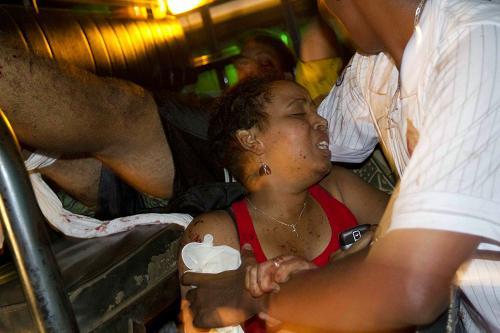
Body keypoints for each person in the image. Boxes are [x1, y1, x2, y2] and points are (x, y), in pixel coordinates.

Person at [183, 0, 500, 331]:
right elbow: (295, 147)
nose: (318, 121)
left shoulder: (477, 48)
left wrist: (257, 297)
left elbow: (413, 287)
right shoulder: (373, 69)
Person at [178, 75, 388, 332]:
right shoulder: (215, 233)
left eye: (317, 111)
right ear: (250, 140)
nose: (322, 121)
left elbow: (420, 241)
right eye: (299, 113)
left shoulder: (337, 187)